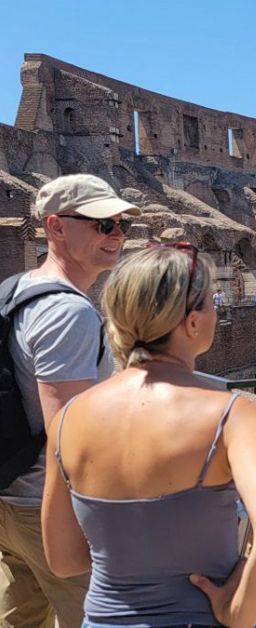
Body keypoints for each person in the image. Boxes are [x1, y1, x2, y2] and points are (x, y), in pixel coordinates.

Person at [40, 244, 256, 627]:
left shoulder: (68, 419)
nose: (215, 311)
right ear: (192, 323)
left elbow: (62, 560)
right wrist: (236, 613)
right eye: (211, 302)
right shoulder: (234, 417)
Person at [0, 175, 138, 627]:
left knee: (22, 616)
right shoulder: (69, 313)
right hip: (45, 506)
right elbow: (70, 437)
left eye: (120, 225)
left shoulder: (14, 289)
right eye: (101, 224)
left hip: (9, 495)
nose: (116, 235)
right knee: (105, 617)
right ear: (56, 227)